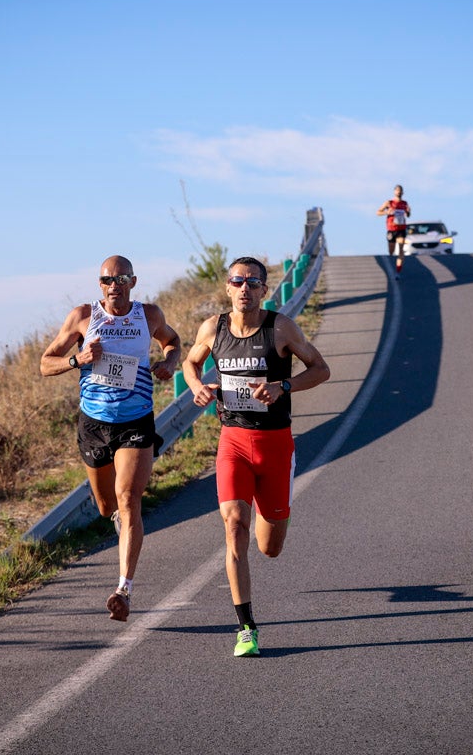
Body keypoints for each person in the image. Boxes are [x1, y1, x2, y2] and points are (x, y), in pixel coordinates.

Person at [182, 257, 331, 656]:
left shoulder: (280, 327)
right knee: (234, 526)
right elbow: (190, 362)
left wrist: (284, 384)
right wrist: (197, 385)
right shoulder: (213, 328)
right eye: (237, 281)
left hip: (275, 445)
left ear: (265, 289)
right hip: (232, 441)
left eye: (253, 282)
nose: (244, 288)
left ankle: (273, 513)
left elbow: (321, 369)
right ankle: (246, 627)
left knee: (269, 547)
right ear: (227, 287)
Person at [40, 255, 181, 622]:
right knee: (107, 506)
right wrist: (78, 360)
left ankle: (124, 590)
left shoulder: (148, 315)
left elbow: (173, 341)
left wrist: (169, 363)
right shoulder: (82, 317)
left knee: (128, 496)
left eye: (121, 279)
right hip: (94, 424)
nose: (113, 285)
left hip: (135, 420)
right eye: (107, 280)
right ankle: (119, 521)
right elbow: (45, 363)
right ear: (99, 284)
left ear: (133, 282)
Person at [376, 184, 411, 279]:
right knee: (391, 251)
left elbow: (408, 215)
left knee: (400, 250)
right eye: (397, 190)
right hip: (391, 230)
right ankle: (391, 264)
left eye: (400, 190)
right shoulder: (389, 202)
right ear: (394, 192)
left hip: (401, 229)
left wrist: (408, 212)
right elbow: (378, 212)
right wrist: (386, 212)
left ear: (402, 192)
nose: (399, 192)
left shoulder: (405, 203)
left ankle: (397, 272)